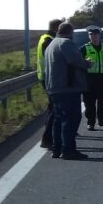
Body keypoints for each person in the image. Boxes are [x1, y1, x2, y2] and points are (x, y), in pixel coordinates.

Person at [42, 22, 89, 160]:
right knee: (71, 119)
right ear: (70, 32)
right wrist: (87, 63)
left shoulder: (51, 44)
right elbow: (76, 61)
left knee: (58, 119)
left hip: (54, 87)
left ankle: (57, 149)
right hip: (67, 87)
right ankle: (68, 150)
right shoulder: (65, 43)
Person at [80, 25, 103, 130]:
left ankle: (100, 115)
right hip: (89, 79)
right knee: (89, 103)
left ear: (99, 35)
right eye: (91, 35)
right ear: (89, 36)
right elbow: (78, 63)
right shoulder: (84, 48)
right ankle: (91, 122)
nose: (94, 37)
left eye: (96, 35)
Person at [36, 18, 63, 149]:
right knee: (55, 108)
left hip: (46, 77)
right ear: (56, 28)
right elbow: (54, 60)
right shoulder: (48, 40)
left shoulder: (45, 38)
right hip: (49, 78)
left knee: (53, 107)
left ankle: (54, 133)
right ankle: (47, 139)